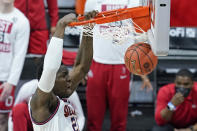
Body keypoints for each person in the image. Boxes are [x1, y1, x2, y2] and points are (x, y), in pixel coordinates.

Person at [80, 0, 153, 130]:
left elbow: (139, 36)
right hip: (97, 62)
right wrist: (82, 66)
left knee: (119, 119)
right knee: (93, 118)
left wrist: (142, 73)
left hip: (122, 64)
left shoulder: (135, 1)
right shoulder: (92, 2)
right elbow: (85, 32)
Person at [29, 11, 97, 131]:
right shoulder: (40, 104)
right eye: (64, 75)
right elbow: (50, 69)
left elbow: (82, 67)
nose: (69, 78)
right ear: (51, 80)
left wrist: (88, 29)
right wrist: (61, 25)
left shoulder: (61, 93)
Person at [8, 79, 85, 131]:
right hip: (33, 124)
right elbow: (13, 113)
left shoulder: (68, 91)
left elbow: (80, 116)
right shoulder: (28, 88)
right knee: (19, 109)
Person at [0, 0, 30, 130]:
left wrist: (11, 82)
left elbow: (20, 54)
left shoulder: (22, 21)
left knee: (2, 119)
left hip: (5, 79)